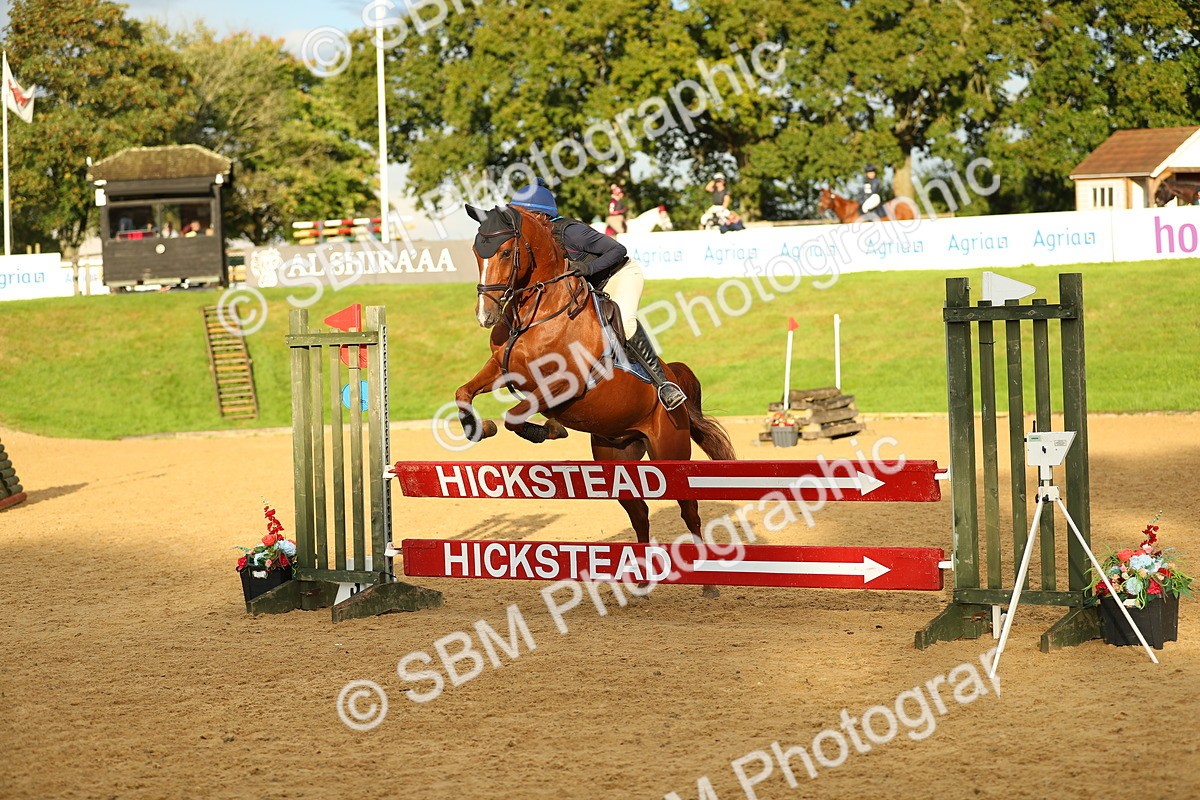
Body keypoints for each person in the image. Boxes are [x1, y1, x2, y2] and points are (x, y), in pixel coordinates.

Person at [508, 179, 687, 410]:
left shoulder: (571, 232)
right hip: (588, 286)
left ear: (540, 216)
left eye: (521, 215)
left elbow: (618, 250)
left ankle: (664, 385)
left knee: (625, 321)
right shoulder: (531, 242)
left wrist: (589, 269)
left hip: (617, 275)